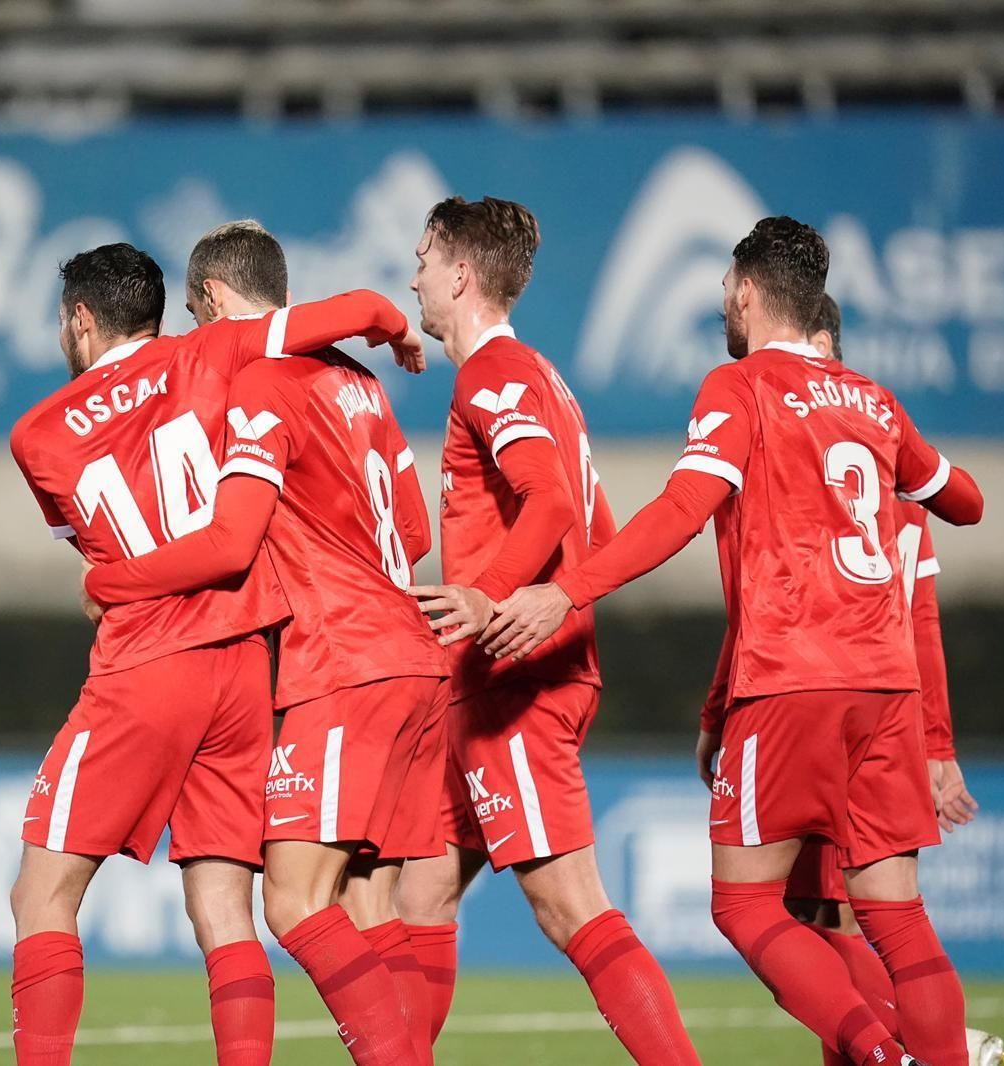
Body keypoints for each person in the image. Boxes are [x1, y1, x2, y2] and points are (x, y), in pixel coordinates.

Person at [482, 216, 984, 1066]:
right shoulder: (872, 401)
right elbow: (964, 502)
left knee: (746, 907)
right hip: (887, 688)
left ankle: (882, 1056)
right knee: (896, 916)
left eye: (725, 288)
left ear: (747, 293)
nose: (722, 300)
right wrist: (908, 463)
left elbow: (683, 511)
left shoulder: (740, 386)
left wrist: (565, 590)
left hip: (793, 678)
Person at [7, 240, 421, 1066]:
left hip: (146, 663)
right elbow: (354, 313)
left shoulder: (36, 435)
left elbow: (98, 557)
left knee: (41, 895)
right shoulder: (211, 352)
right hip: (244, 666)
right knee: (224, 907)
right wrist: (393, 328)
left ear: (80, 320)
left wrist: (115, 587)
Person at [395, 196, 701, 1064]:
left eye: (423, 256)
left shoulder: (493, 375)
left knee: (572, 908)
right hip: (489, 680)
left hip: (516, 686)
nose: (412, 272)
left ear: (460, 274)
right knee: (419, 902)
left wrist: (491, 595)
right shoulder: (540, 378)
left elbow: (555, 502)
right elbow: (594, 526)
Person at [691, 294, 1003, 1066]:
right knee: (855, 913)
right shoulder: (889, 461)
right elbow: (921, 613)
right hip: (883, 704)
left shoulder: (771, 443)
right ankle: (930, 1046)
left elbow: (757, 605)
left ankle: (893, 1048)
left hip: (801, 694)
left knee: (790, 912)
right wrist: (933, 743)